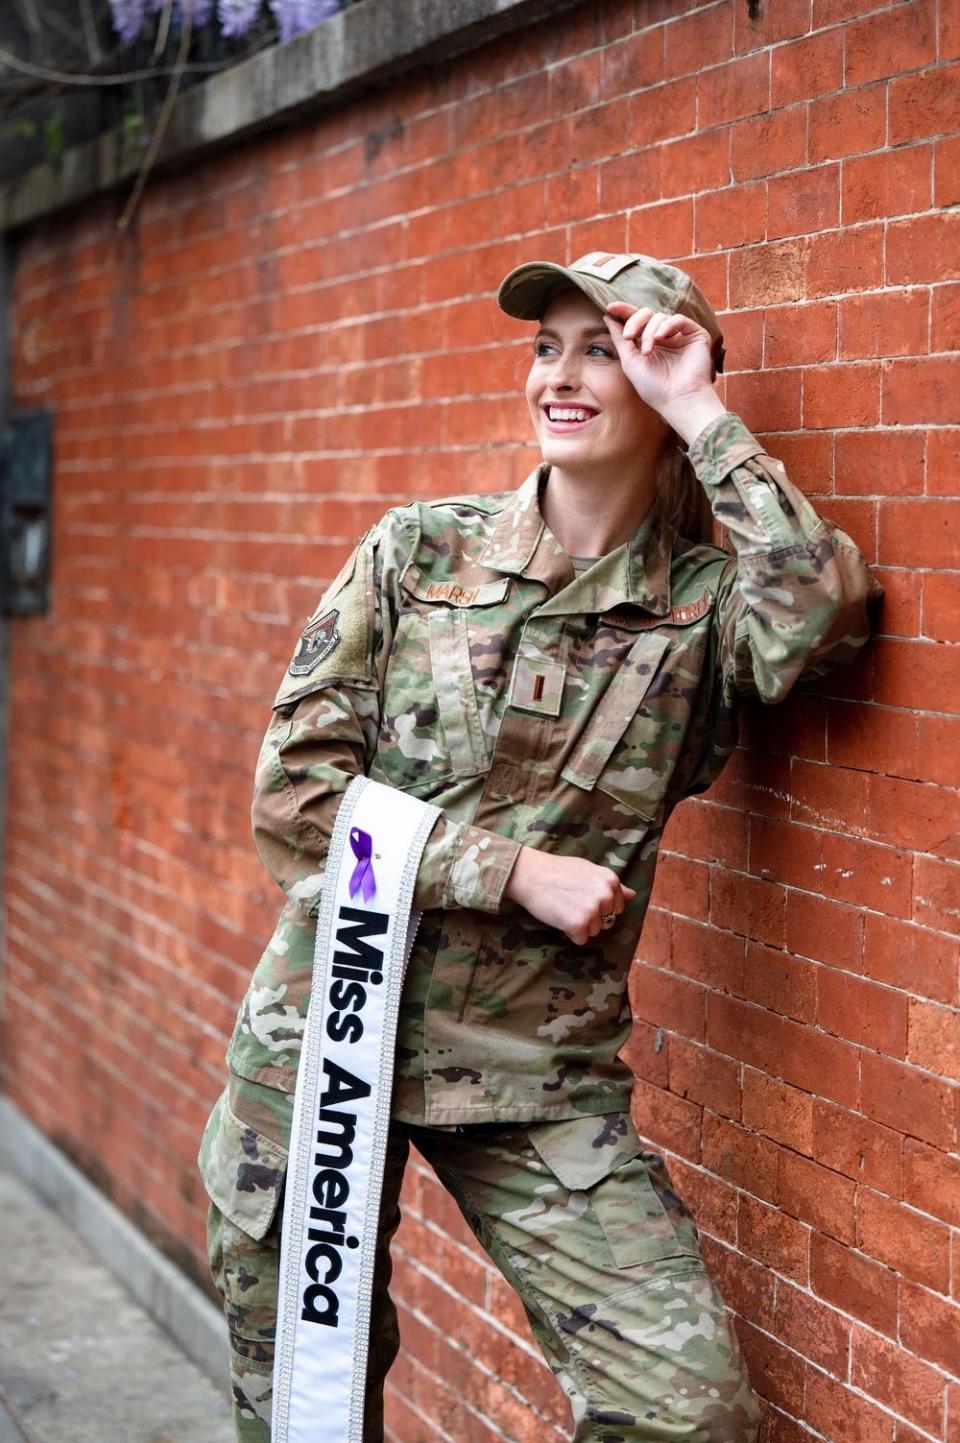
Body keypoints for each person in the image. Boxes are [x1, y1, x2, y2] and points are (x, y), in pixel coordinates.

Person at [198, 250, 882, 1442]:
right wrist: (512, 871)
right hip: (324, 1042)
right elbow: (296, 804)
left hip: (533, 1075)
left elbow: (818, 618)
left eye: (600, 350)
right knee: (307, 1413)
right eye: (545, 347)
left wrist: (703, 412)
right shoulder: (418, 554)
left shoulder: (704, 610)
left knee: (685, 1411)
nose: (561, 377)